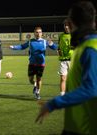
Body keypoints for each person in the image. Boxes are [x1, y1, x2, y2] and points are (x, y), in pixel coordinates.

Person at [36, 1, 97, 135]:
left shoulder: (90, 49)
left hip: (85, 128)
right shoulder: (83, 46)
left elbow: (91, 88)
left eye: (69, 22)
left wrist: (53, 103)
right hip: (75, 125)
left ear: (72, 23)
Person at [10, 27, 57, 99]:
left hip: (41, 64)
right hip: (32, 63)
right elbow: (22, 46)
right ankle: (34, 84)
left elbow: (54, 47)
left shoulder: (45, 42)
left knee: (39, 79)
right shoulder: (30, 41)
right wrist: (13, 47)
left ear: (42, 33)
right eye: (37, 32)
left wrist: (52, 44)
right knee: (31, 79)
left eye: (40, 32)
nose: (38, 34)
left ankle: (38, 92)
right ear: (34, 33)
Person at [57, 19, 73, 96]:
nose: (66, 27)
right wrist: (59, 50)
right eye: (65, 25)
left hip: (73, 60)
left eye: (68, 25)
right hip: (63, 60)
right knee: (63, 78)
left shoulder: (75, 35)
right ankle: (62, 96)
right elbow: (59, 47)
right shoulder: (61, 36)